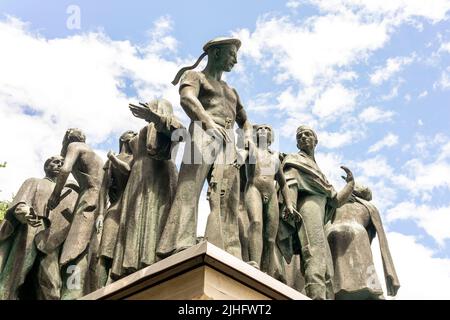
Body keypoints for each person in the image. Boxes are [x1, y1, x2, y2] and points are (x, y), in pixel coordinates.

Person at [157, 37, 252, 260]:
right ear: (216, 53)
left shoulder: (232, 91)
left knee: (228, 198)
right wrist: (208, 122)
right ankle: (178, 243)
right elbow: (187, 99)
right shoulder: (195, 76)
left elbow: (245, 122)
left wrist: (245, 142)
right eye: (232, 54)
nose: (235, 61)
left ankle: (230, 251)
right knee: (189, 187)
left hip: (228, 141)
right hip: (202, 131)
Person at [277, 125, 354, 300]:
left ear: (315, 140)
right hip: (308, 208)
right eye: (300, 136)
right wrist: (291, 206)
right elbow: (289, 183)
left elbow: (335, 200)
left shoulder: (318, 171)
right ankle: (316, 296)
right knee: (314, 253)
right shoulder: (294, 160)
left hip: (319, 215)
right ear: (297, 143)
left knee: (326, 262)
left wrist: (350, 185)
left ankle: (324, 296)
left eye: (308, 134)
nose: (303, 137)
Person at [110, 99, 183, 280]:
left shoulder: (166, 123)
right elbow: (130, 165)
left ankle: (152, 259)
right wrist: (113, 159)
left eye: (152, 106)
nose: (148, 108)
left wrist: (156, 118)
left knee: (155, 213)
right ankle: (131, 263)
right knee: (135, 216)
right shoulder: (140, 133)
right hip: (138, 174)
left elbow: (181, 134)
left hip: (159, 171)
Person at [0, 156, 77, 299]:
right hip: (30, 231)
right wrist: (26, 213)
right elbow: (20, 204)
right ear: (46, 167)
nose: (59, 164)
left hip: (53, 239)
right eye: (55, 162)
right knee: (16, 277)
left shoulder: (69, 192)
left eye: (62, 163)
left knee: (52, 284)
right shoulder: (34, 182)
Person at [47, 128, 104, 299]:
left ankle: (72, 294)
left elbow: (65, 170)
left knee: (74, 248)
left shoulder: (75, 146)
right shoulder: (97, 157)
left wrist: (55, 195)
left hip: (88, 199)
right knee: (87, 247)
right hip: (97, 201)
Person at [326, 183, 400, 299]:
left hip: (331, 232)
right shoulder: (369, 207)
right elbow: (375, 233)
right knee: (366, 273)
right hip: (357, 233)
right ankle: (377, 295)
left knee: (332, 273)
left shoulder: (337, 201)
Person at [240, 124, 294, 277]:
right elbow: (244, 153)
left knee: (270, 237)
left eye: (268, 129)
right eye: (261, 128)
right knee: (256, 223)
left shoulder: (275, 156)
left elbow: (282, 183)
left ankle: (267, 271)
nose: (263, 130)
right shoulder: (251, 148)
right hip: (254, 188)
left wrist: (289, 204)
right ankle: (254, 263)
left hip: (270, 194)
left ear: (272, 137)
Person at [91, 130, 136, 289]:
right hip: (115, 209)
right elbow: (103, 189)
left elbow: (128, 170)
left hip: (131, 209)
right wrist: (101, 214)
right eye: (132, 132)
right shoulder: (110, 162)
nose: (136, 134)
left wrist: (112, 158)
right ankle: (98, 291)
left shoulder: (136, 158)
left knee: (126, 251)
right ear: (123, 138)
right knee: (105, 252)